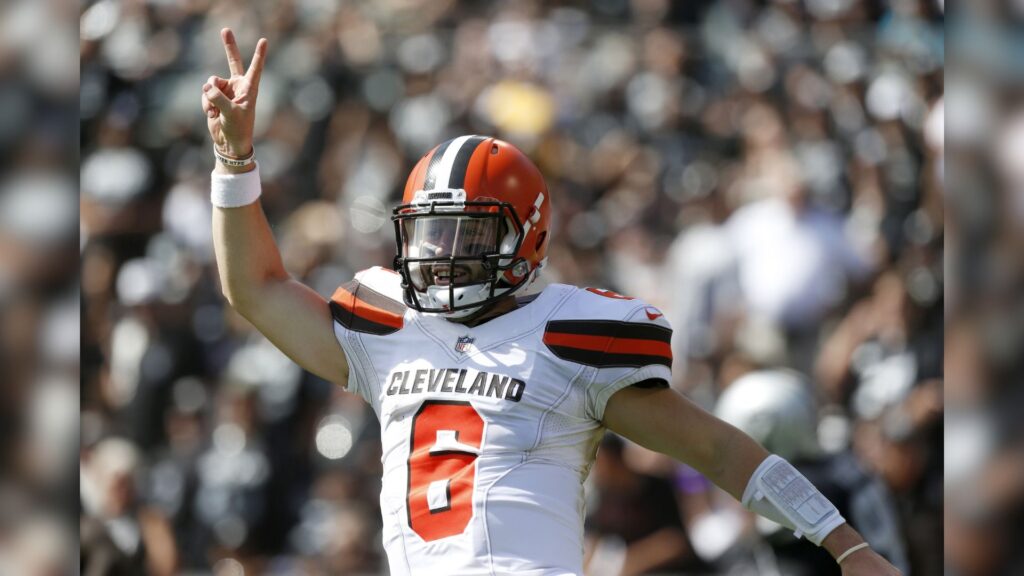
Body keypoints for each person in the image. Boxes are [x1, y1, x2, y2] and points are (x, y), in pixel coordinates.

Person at [201, 29, 901, 575]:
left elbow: (716, 448)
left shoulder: (572, 337)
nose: (441, 253)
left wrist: (843, 543)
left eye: (465, 233)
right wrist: (236, 166)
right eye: (430, 232)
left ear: (525, 237)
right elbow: (256, 288)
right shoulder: (385, 324)